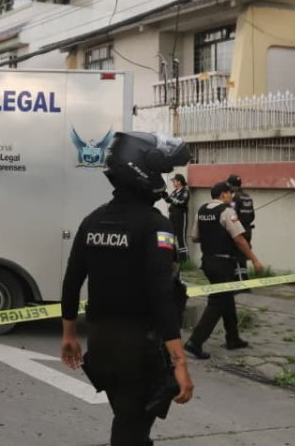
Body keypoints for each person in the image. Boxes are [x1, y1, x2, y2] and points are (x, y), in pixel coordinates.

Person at [60, 132, 194, 446]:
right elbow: (161, 294)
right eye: (160, 171)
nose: (162, 179)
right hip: (139, 348)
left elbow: (71, 280)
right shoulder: (156, 226)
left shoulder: (93, 221)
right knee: (129, 433)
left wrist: (68, 335)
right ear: (142, 170)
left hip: (101, 343)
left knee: (129, 422)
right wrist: (180, 363)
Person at [184, 181, 265, 360]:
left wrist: (212, 235)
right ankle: (194, 342)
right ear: (223, 195)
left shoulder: (202, 210)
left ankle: (233, 338)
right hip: (223, 264)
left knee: (226, 299)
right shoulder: (227, 211)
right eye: (229, 194)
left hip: (208, 262)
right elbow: (239, 239)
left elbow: (195, 237)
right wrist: (255, 260)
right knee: (218, 302)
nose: (231, 197)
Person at [163, 174, 190, 265]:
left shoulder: (185, 192)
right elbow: (169, 200)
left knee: (181, 237)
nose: (173, 183)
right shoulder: (175, 191)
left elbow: (182, 202)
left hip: (181, 216)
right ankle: (172, 257)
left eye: (174, 181)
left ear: (179, 181)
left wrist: (171, 199)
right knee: (171, 235)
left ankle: (184, 260)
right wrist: (164, 196)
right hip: (173, 215)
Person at [226, 174, 256, 244]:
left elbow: (231, 214)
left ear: (230, 185)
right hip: (248, 230)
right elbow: (252, 216)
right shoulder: (247, 196)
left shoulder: (233, 196)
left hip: (237, 231)